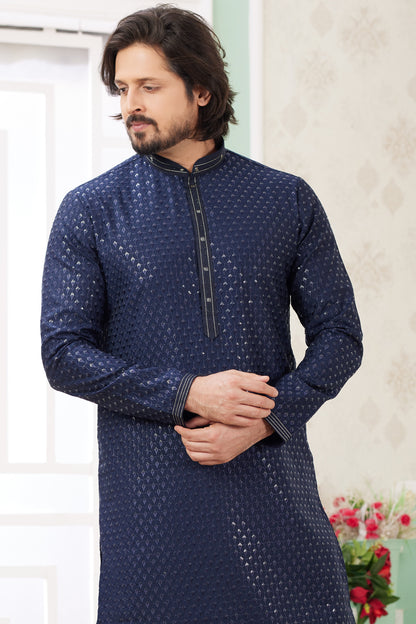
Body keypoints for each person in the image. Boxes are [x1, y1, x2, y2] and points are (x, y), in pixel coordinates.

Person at [41, 5, 363, 623]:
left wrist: (267, 422)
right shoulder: (92, 210)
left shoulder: (285, 199)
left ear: (202, 90)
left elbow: (340, 336)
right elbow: (63, 354)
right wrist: (187, 391)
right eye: (123, 89)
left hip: (275, 495)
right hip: (151, 516)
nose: (131, 104)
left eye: (149, 86)